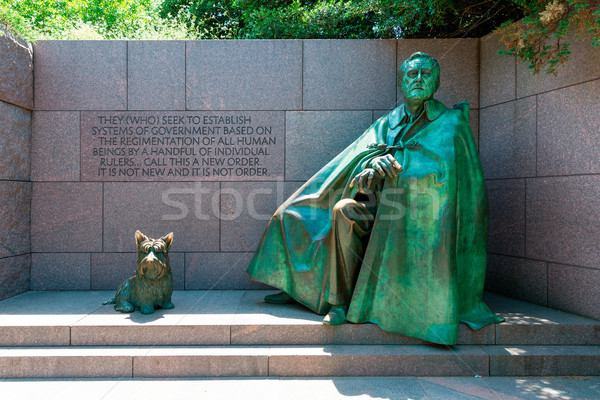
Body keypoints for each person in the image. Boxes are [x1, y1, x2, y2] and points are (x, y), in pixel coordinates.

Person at [247, 52, 503, 345]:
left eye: (425, 74)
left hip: (416, 218)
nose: (418, 79)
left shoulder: (452, 123)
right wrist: (370, 166)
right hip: (376, 207)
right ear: (401, 82)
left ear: (437, 82)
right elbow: (354, 163)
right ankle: (336, 301)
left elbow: (463, 187)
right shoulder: (386, 123)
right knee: (329, 211)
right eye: (411, 74)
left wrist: (402, 173)